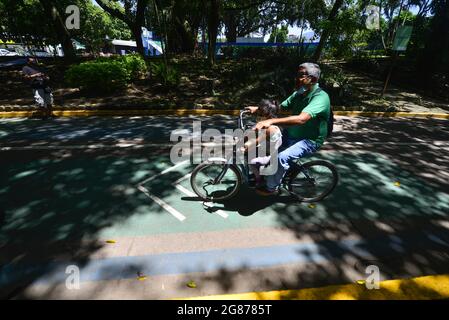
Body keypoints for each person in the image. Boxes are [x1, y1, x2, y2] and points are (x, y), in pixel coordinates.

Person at [246, 62, 331, 196]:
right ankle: (274, 173)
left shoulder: (321, 97)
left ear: (313, 79)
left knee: (281, 158)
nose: (297, 78)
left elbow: (302, 119)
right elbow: (281, 107)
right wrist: (257, 109)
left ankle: (271, 187)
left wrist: (271, 120)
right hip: (291, 134)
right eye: (297, 74)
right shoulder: (300, 92)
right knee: (268, 153)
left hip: (309, 140)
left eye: (301, 75)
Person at [243, 99, 282, 188]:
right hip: (265, 150)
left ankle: (259, 179)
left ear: (268, 115)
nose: (258, 116)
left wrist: (246, 145)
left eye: (260, 114)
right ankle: (258, 173)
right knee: (249, 153)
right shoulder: (266, 124)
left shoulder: (270, 129)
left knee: (251, 161)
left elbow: (256, 141)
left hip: (271, 155)